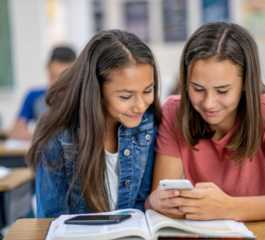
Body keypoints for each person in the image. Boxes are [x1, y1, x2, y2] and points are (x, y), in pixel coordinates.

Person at [26, 29, 162, 218]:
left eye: (148, 90)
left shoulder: (147, 123)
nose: (140, 106)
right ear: (95, 90)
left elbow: (140, 205)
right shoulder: (57, 136)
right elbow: (52, 221)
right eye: (125, 96)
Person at [145, 21, 265, 221]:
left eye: (222, 91)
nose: (209, 103)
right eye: (198, 89)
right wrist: (157, 202)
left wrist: (229, 208)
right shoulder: (174, 110)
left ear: (245, 83)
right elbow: (158, 197)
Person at [9, 46, 76, 140]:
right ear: (48, 67)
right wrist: (39, 138)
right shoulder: (34, 96)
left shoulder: (78, 99)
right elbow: (16, 130)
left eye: (64, 79)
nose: (57, 84)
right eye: (54, 77)